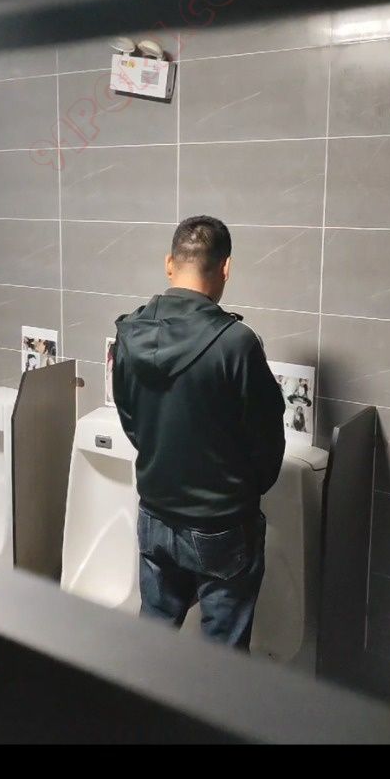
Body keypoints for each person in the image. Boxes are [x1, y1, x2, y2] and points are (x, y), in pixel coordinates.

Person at [112, 215, 285, 651]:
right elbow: (267, 439)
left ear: (170, 263)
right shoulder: (236, 343)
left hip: (154, 514)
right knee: (221, 658)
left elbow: (130, 420)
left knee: (153, 638)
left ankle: (138, 698)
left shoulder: (129, 334)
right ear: (226, 268)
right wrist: (243, 490)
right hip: (221, 525)